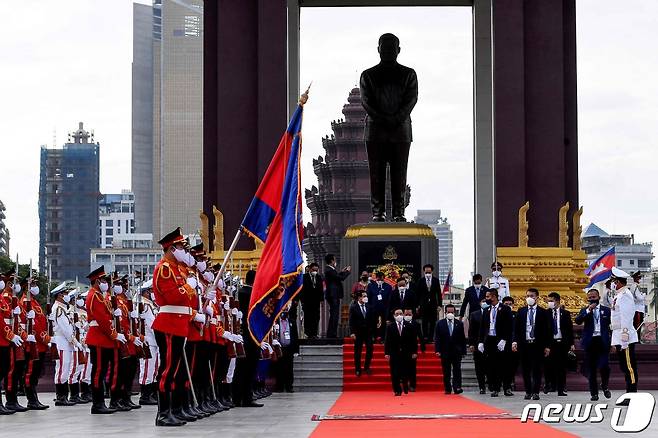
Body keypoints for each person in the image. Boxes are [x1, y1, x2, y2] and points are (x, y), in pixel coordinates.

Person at [360, 33, 418, 222]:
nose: (387, 52)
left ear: (398, 51)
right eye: (384, 48)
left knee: (399, 173)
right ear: (378, 50)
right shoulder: (368, 75)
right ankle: (378, 212)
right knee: (376, 174)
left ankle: (399, 212)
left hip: (400, 131)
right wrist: (387, 119)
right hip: (377, 131)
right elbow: (366, 102)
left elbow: (411, 100)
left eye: (391, 48)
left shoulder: (409, 74)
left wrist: (394, 119)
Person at [85, 265, 125, 415]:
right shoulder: (94, 295)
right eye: (102, 280)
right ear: (96, 281)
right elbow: (102, 319)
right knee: (98, 372)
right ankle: (97, 403)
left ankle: (103, 402)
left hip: (104, 338)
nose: (105, 283)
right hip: (99, 338)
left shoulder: (100, 296)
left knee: (103, 371)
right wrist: (114, 334)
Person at [512, 288, 551, 400]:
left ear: (537, 298)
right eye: (528, 296)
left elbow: (547, 330)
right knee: (525, 370)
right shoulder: (521, 311)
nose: (529, 298)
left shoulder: (543, 312)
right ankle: (528, 391)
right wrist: (515, 341)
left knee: (537, 370)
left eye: (532, 296)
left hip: (537, 344)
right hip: (524, 344)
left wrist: (547, 346)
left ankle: (536, 392)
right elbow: (517, 329)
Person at [575, 288, 612, 401]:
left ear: (599, 297)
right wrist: (588, 311)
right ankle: (594, 393)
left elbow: (613, 325)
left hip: (603, 341)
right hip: (590, 342)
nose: (592, 300)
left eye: (594, 297)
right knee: (591, 369)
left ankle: (604, 385)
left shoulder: (606, 310)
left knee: (605, 366)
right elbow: (578, 321)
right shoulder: (584, 310)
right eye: (590, 298)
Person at [20, 276, 50, 410]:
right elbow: (33, 325)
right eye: (33, 284)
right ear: (26, 287)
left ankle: (34, 398)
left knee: (36, 372)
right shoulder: (25, 301)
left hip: (40, 344)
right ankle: (31, 399)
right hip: (34, 343)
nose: (36, 286)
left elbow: (40, 320)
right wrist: (45, 337)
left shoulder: (34, 302)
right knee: (30, 372)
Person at [235, 269, 264, 408]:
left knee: (250, 367)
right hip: (248, 333)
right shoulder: (246, 293)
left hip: (252, 333)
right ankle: (243, 397)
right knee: (246, 367)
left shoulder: (249, 292)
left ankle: (246, 396)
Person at [478, 288, 513, 397]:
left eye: (488, 297)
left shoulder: (505, 309)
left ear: (494, 297)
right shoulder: (486, 310)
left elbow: (509, 326)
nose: (486, 299)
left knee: (505, 365)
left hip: (502, 340)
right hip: (490, 340)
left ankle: (507, 388)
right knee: (492, 366)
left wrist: (504, 339)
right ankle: (495, 388)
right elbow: (482, 327)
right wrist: (481, 342)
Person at [609, 268, 639, 393]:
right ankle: (629, 393)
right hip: (618, 336)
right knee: (624, 366)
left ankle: (632, 394)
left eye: (613, 281)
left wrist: (624, 339)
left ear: (618, 282)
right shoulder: (619, 295)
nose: (612, 284)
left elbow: (626, 318)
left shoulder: (625, 295)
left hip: (625, 337)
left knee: (629, 367)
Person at [50, 283, 80, 406]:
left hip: (66, 342)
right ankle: (60, 397)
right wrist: (74, 340)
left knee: (65, 368)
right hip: (62, 342)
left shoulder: (62, 308)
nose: (67, 296)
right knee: (62, 369)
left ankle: (63, 396)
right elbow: (64, 328)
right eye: (65, 293)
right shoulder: (58, 309)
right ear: (60, 295)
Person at [0, 271, 24, 415]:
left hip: (6, 339)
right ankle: (8, 400)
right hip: (4, 338)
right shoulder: (4, 298)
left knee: (7, 369)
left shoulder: (4, 299)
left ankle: (11, 400)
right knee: (5, 370)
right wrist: (11, 335)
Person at [544, 292, 574, 396]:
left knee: (561, 367)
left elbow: (569, 329)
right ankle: (550, 385)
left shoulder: (565, 313)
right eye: (549, 301)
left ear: (557, 301)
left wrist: (571, 343)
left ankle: (561, 389)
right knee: (549, 365)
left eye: (552, 301)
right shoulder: (546, 313)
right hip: (550, 343)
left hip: (562, 342)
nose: (550, 303)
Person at [384, 308, 418, 396]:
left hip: (406, 352)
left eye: (400, 313)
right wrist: (387, 353)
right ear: (394, 316)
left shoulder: (409, 326)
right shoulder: (390, 327)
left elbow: (413, 340)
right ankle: (397, 389)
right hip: (394, 353)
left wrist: (414, 352)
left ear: (403, 315)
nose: (399, 315)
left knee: (405, 371)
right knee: (394, 372)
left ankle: (405, 386)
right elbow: (387, 341)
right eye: (397, 314)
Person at [434, 304, 466, 394]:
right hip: (445, 351)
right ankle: (447, 388)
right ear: (445, 312)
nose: (450, 313)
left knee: (457, 370)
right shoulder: (440, 323)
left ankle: (457, 387)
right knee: (446, 371)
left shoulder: (459, 323)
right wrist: (437, 350)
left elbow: (462, 338)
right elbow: (437, 338)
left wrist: (463, 350)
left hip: (456, 351)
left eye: (452, 312)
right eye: (449, 312)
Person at [137, 279, 159, 406]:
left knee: (154, 368)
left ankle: (151, 393)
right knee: (147, 369)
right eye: (151, 291)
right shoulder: (144, 305)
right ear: (145, 293)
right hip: (148, 341)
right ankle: (145, 396)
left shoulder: (151, 305)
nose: (153, 293)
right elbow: (151, 325)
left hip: (154, 342)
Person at [324, 254, 351, 338]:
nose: (335, 261)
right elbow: (340, 278)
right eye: (334, 260)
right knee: (334, 315)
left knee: (334, 314)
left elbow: (336, 277)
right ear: (332, 261)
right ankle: (332, 334)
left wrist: (342, 272)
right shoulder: (329, 270)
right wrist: (347, 272)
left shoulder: (331, 270)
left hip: (334, 295)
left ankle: (331, 333)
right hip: (333, 295)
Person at [349, 291, 374, 377]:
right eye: (364, 296)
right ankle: (358, 369)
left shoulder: (369, 307)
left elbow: (372, 320)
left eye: (366, 296)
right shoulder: (353, 307)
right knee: (358, 352)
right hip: (358, 333)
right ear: (359, 298)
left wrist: (373, 332)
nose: (366, 297)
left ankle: (366, 367)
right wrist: (352, 332)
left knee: (370, 349)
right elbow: (351, 321)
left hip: (368, 333)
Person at [273, 307, 299, 393]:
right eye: (283, 311)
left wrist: (296, 350)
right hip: (279, 348)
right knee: (279, 367)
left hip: (289, 348)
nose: (284, 312)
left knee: (289, 368)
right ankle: (279, 386)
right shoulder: (276, 322)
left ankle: (289, 386)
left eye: (286, 311)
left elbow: (295, 336)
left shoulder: (292, 322)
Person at [416, 264, 442, 344]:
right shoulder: (421, 280)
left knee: (433, 322)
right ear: (424, 271)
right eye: (426, 272)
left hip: (433, 304)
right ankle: (425, 337)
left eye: (429, 272)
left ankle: (431, 338)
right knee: (424, 321)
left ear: (432, 271)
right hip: (423, 304)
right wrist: (417, 305)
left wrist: (439, 305)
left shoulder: (436, 280)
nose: (428, 273)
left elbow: (439, 293)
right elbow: (418, 294)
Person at [468, 299, 488, 394]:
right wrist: (471, 343)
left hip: (490, 342)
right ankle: (482, 386)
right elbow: (471, 330)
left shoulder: (492, 312)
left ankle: (492, 384)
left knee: (490, 365)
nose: (484, 303)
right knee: (479, 366)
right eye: (482, 301)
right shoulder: (474, 314)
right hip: (477, 343)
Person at [366, 272, 392, 342]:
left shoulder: (388, 286)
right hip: (373, 308)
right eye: (378, 277)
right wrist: (369, 307)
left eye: (381, 277)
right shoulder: (371, 285)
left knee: (383, 324)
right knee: (373, 323)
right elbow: (368, 297)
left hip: (384, 308)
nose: (380, 279)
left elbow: (389, 299)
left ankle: (383, 338)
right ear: (376, 278)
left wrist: (388, 308)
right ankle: (374, 337)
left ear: (384, 278)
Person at [500, 295, 518, 392]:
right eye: (506, 304)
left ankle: (509, 382)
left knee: (512, 365)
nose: (508, 306)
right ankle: (504, 385)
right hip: (502, 344)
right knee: (502, 366)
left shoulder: (516, 314)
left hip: (514, 344)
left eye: (510, 304)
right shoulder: (498, 315)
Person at [300, 263, 323, 339]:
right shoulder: (304, 277)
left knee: (316, 317)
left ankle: (314, 333)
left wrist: (321, 300)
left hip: (316, 301)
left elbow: (321, 289)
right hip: (307, 301)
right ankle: (308, 333)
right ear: (310, 269)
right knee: (308, 317)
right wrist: (302, 300)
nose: (315, 271)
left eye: (316, 270)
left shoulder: (319, 277)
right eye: (313, 270)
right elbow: (302, 290)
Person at [404, 308, 424, 390]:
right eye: (406, 315)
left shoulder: (416, 324)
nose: (408, 316)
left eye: (409, 314)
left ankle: (412, 385)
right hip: (401, 349)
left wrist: (422, 346)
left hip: (412, 349)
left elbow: (420, 336)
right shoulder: (400, 323)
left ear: (412, 315)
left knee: (412, 368)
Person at [629, 271, 646, 341]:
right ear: (636, 278)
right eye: (639, 278)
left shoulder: (635, 286)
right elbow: (639, 298)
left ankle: (637, 339)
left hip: (638, 308)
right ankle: (636, 340)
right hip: (637, 309)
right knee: (637, 325)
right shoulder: (635, 286)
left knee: (638, 325)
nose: (640, 279)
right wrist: (643, 295)